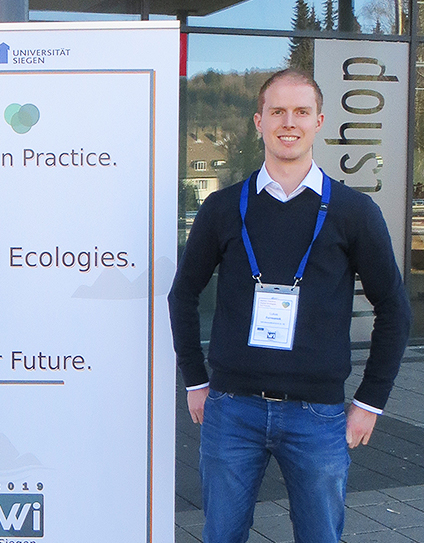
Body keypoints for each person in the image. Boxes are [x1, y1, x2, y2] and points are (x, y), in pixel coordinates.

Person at [168, 69, 410, 543]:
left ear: (319, 121)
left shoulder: (354, 211)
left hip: (317, 417)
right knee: (221, 536)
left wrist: (369, 403)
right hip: (232, 410)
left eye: (301, 111)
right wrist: (196, 381)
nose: (288, 121)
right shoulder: (222, 207)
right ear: (258, 121)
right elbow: (183, 295)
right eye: (277, 111)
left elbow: (394, 309)